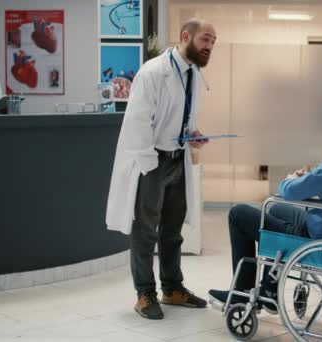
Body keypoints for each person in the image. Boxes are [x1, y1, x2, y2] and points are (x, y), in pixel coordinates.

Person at [208, 95, 322, 313]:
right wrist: (313, 179)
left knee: (239, 214)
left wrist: (291, 180)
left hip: (321, 240)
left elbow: (290, 192)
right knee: (277, 210)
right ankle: (269, 290)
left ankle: (240, 294)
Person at [106, 18, 217, 320]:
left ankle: (172, 288)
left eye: (213, 42)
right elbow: (138, 123)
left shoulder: (192, 73)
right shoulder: (153, 71)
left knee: (172, 229)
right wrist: (149, 164)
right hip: (152, 160)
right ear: (186, 37)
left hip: (177, 158)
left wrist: (192, 134)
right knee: (146, 230)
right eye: (205, 40)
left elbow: (181, 114)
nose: (210, 47)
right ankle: (144, 293)